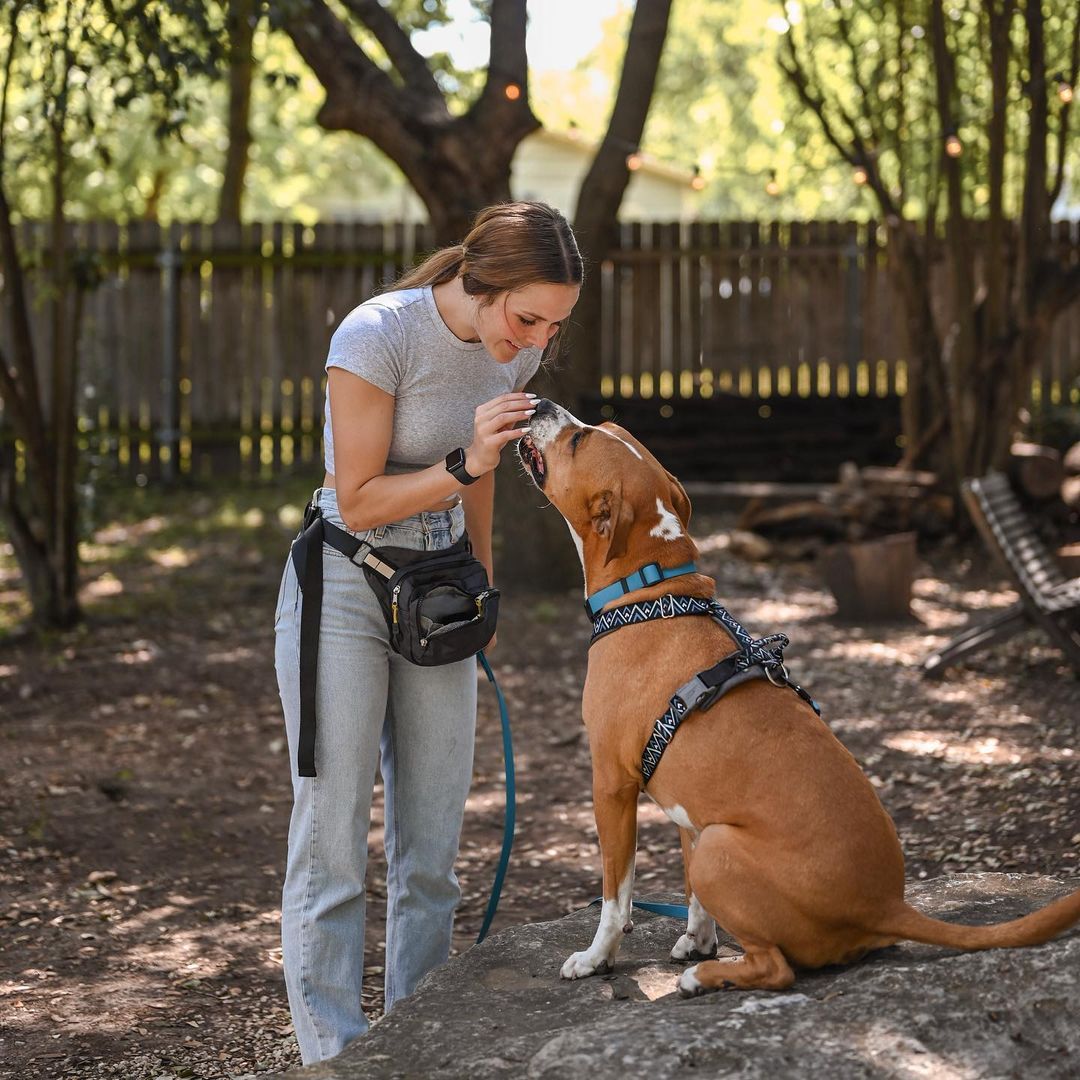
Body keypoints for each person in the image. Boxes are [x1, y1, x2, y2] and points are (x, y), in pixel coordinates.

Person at [273, 201, 583, 1064]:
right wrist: (465, 464)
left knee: (432, 851)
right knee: (333, 843)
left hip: (440, 588)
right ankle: (335, 1058)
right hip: (345, 580)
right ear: (479, 282)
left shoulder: (509, 346)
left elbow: (476, 479)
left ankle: (414, 1048)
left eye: (555, 327)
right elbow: (362, 495)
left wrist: (480, 582)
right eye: (528, 317)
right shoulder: (376, 335)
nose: (536, 341)